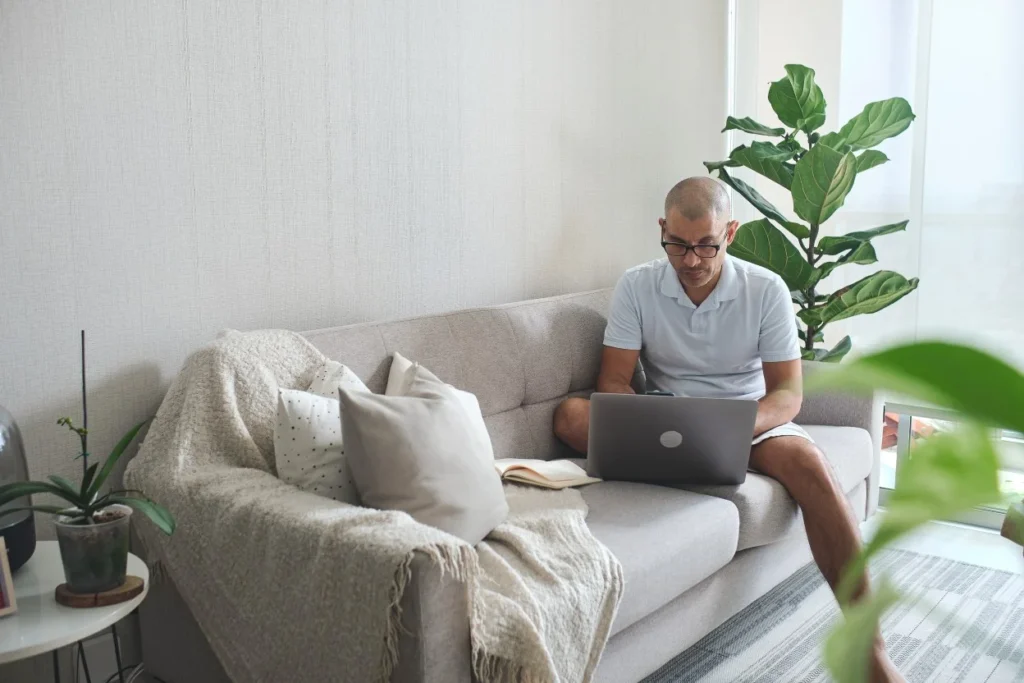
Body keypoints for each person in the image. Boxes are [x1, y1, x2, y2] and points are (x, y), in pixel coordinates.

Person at [552, 177, 903, 683]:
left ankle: (871, 650)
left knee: (810, 465)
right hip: (667, 422)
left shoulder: (766, 289)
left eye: (706, 245)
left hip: (748, 421)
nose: (691, 260)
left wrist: (734, 426)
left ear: (731, 233)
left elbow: (787, 394)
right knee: (571, 416)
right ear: (662, 229)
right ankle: (675, 459)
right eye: (677, 244)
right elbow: (613, 381)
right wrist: (653, 419)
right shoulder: (637, 285)